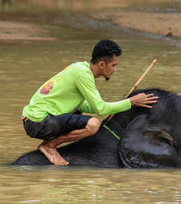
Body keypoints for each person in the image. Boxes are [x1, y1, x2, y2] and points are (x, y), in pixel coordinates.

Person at [21, 39, 158, 165]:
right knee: (93, 124)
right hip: (38, 122)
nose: (115, 69)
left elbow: (84, 104)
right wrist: (131, 102)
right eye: (113, 65)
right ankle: (49, 146)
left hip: (34, 119)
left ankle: (50, 145)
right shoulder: (83, 74)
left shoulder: (80, 68)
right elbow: (101, 109)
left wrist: (118, 106)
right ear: (102, 64)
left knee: (81, 112)